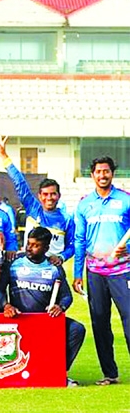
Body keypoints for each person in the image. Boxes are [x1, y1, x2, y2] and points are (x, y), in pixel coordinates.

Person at [0, 227, 85, 387]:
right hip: (19, 320)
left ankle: (56, 372)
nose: (29, 249)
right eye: (29, 244)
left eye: (35, 245)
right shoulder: (14, 263)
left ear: (46, 248)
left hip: (45, 321)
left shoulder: (54, 268)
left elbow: (67, 296)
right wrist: (6, 305)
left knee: (77, 329)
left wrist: (60, 306)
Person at [72, 156, 130, 386]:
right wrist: (77, 273)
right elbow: (79, 240)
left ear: (112, 173)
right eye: (98, 172)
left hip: (122, 270)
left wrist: (127, 246)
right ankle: (110, 373)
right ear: (92, 174)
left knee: (129, 320)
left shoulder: (125, 200)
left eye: (106, 171)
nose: (102, 175)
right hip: (94, 271)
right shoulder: (85, 204)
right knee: (99, 322)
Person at [0, 136, 75, 263]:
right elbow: (20, 182)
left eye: (53, 194)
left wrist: (61, 257)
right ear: (39, 196)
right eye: (45, 194)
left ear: (59, 196)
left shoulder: (66, 219)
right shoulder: (33, 208)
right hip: (29, 266)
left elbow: (72, 246)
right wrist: (4, 156)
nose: (49, 198)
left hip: (51, 270)